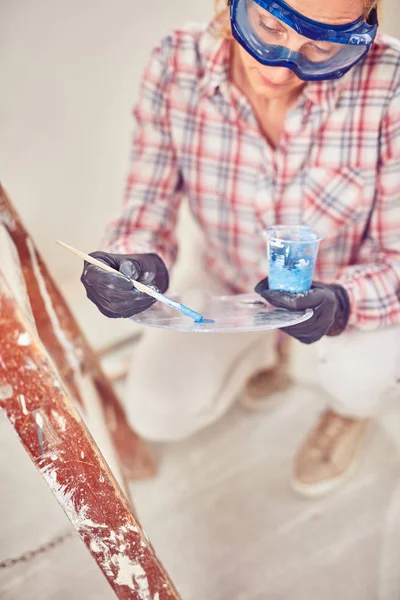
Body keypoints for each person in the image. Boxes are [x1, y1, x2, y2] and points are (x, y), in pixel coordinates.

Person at [81, 0, 400, 498]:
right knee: (157, 411)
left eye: (323, 42)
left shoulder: (392, 85)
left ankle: (347, 412)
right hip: (226, 279)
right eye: (270, 25)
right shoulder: (175, 62)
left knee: (363, 375)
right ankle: (266, 350)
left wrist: (342, 303)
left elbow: (397, 256)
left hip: (343, 289)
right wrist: (132, 258)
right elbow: (147, 203)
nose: (283, 62)